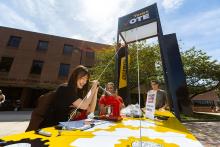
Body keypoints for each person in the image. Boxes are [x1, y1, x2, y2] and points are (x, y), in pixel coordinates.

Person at [26, 65, 99, 131]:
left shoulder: (76, 93)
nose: (85, 82)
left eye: (86, 79)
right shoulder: (65, 89)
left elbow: (90, 110)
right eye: (82, 78)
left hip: (61, 128)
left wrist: (95, 90)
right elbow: (84, 105)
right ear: (75, 77)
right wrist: (93, 88)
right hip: (49, 128)